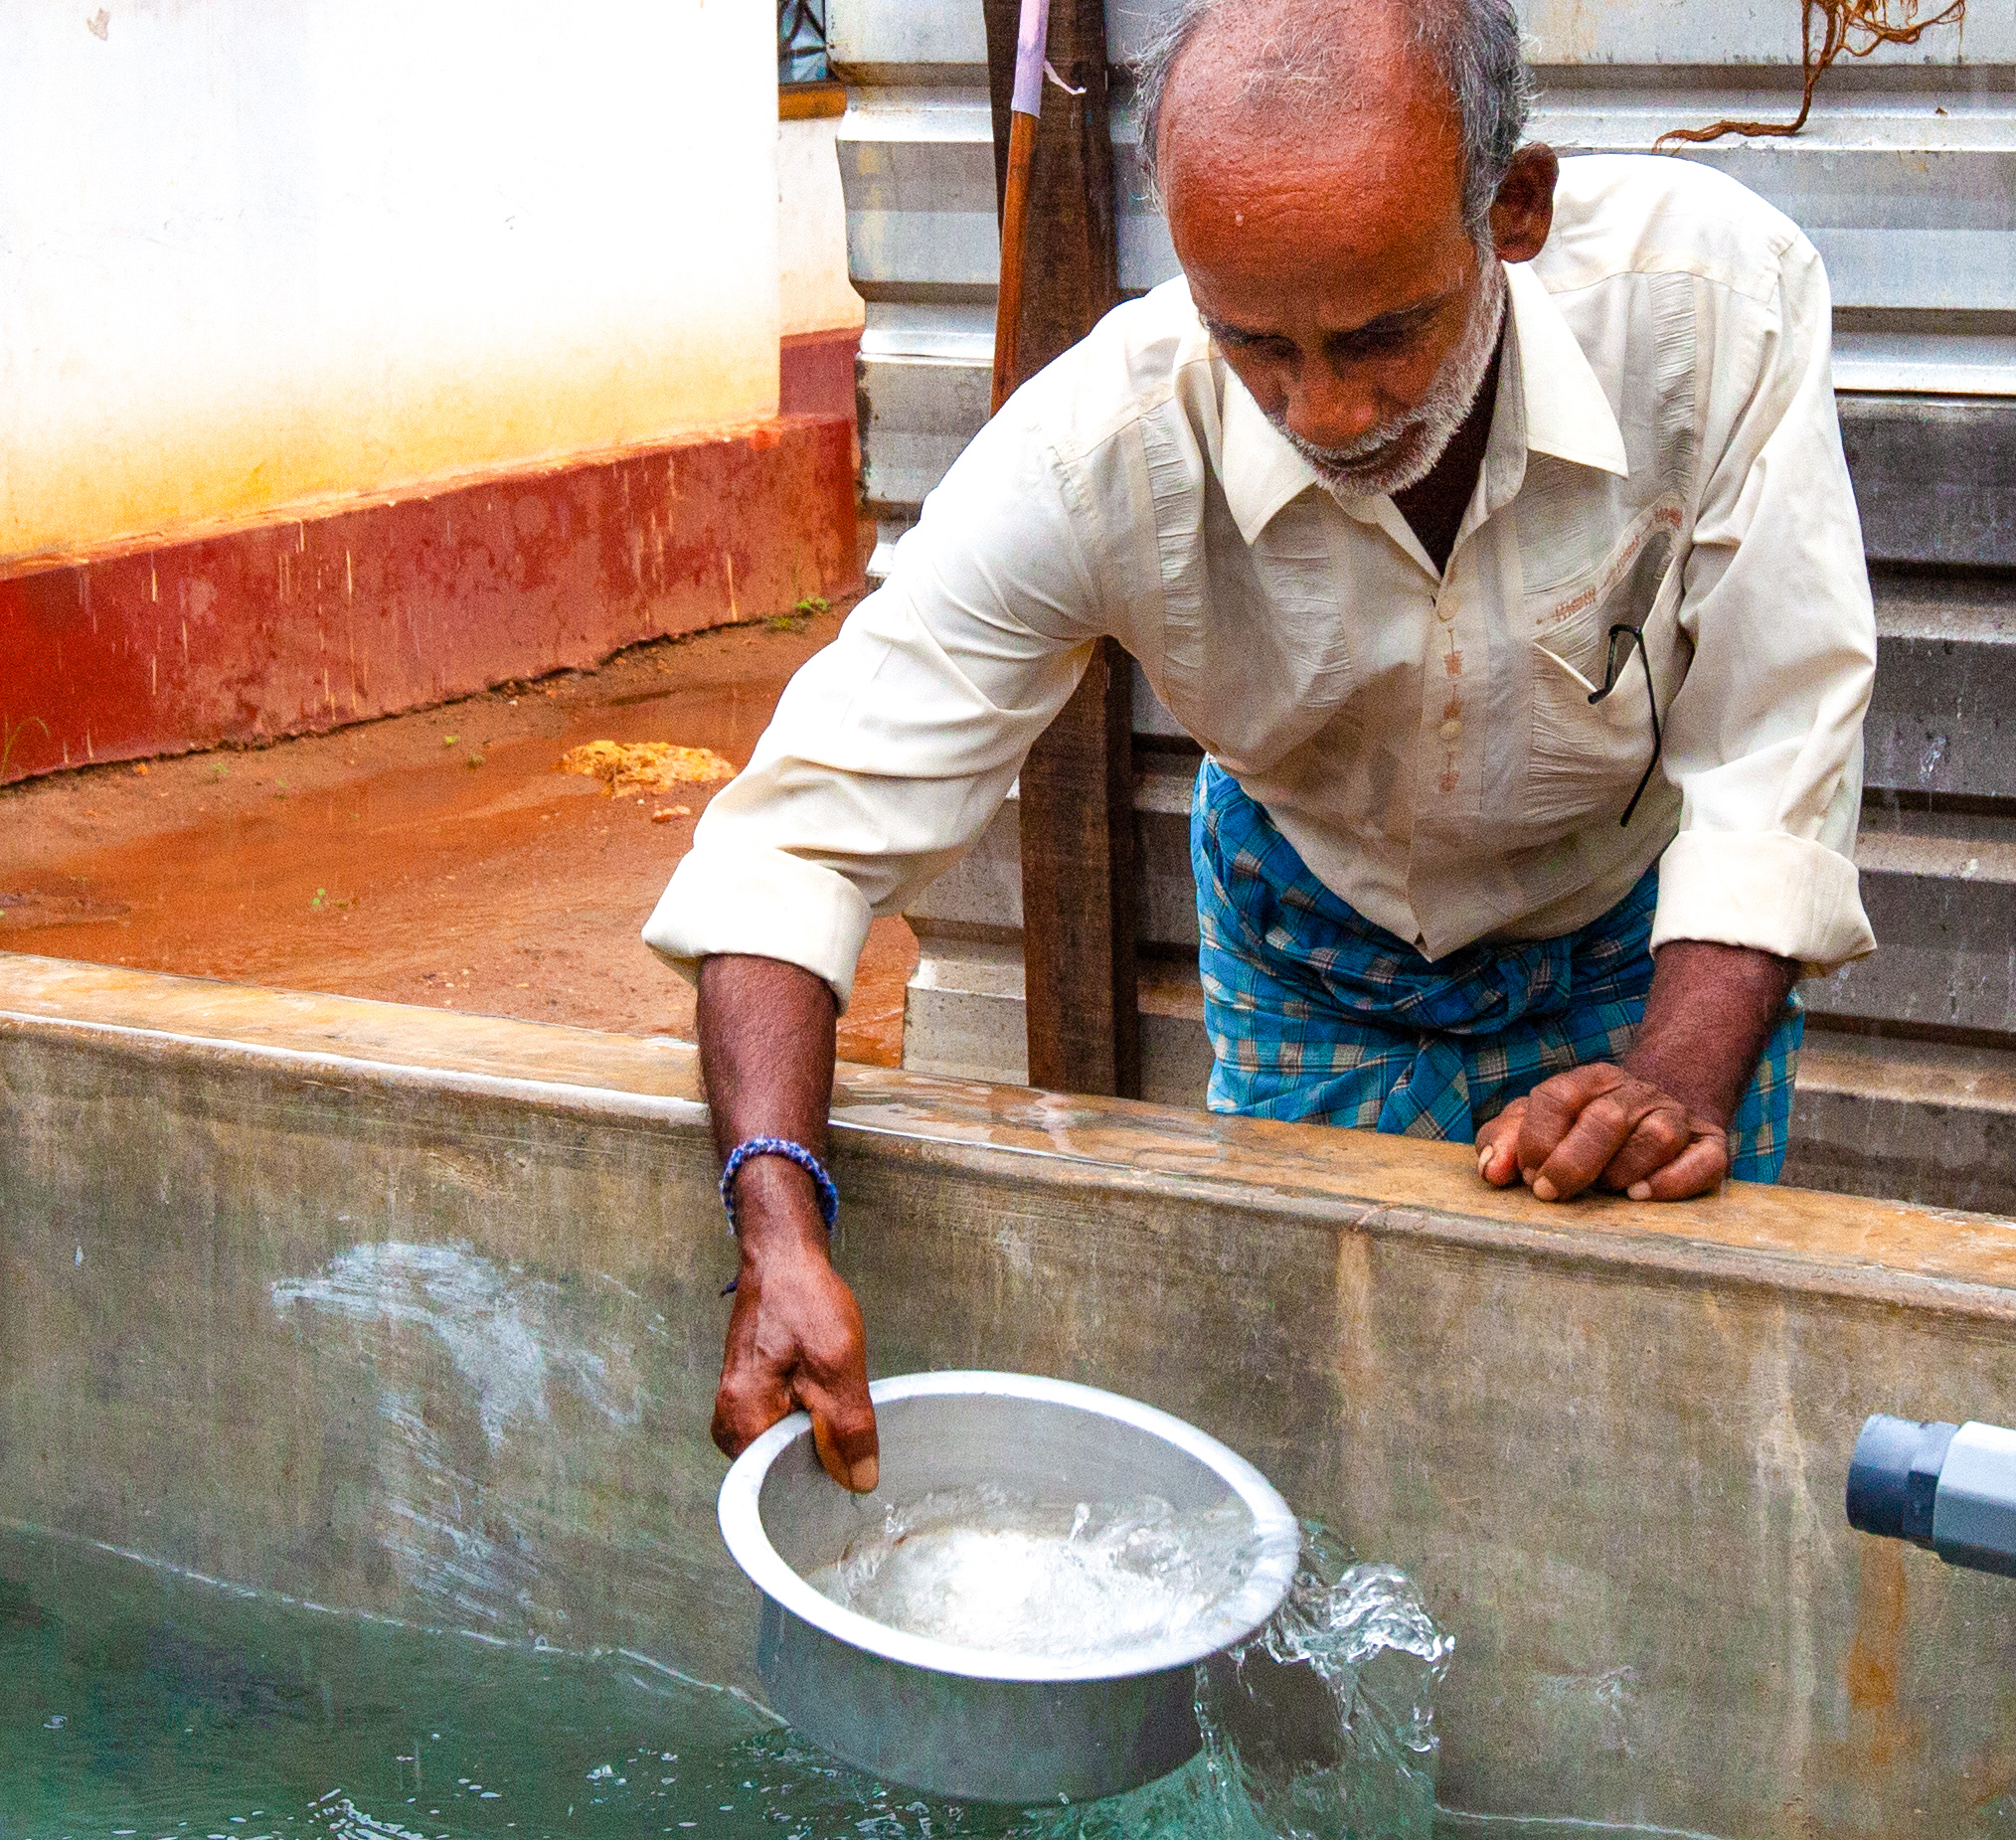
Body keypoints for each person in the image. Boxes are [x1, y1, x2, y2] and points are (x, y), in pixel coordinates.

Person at [642, 0, 1877, 1491]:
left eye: (1381, 335)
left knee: (1648, 1435)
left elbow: (1772, 729)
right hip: (1316, 944)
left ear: (1514, 208)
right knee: (1316, 1438)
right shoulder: (1101, 442)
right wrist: (775, 1218)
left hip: (1642, 943)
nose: (1326, 410)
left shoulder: (1709, 303)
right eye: (1252, 346)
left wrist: (1679, 1069)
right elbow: (796, 838)